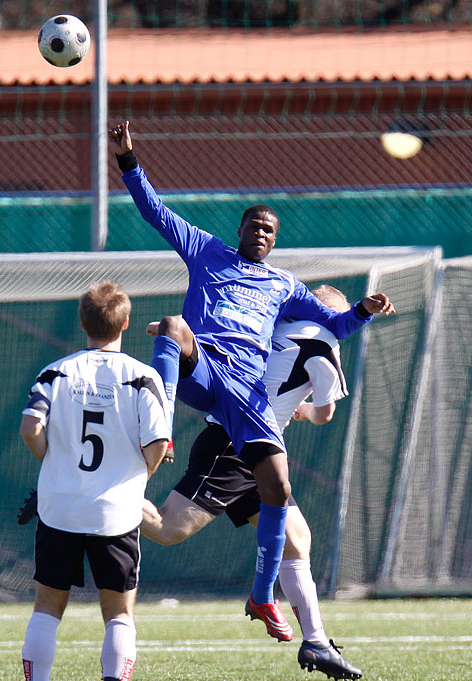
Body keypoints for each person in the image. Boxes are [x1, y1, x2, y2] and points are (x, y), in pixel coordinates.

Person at [108, 120, 395, 641]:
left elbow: (335, 325)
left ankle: (268, 600)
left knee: (280, 498)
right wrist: (129, 160)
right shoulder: (207, 251)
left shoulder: (285, 285)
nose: (261, 233)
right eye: (254, 226)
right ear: (239, 230)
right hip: (204, 370)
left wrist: (364, 310)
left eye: (270, 230)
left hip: (246, 394)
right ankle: (161, 428)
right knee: (174, 326)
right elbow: (155, 212)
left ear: (275, 241)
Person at [141, 285, 362, 680]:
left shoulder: (273, 321)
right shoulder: (325, 343)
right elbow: (325, 413)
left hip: (249, 446)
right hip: (234, 446)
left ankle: (316, 642)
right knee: (165, 529)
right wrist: (305, 411)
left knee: (298, 541)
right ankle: (92, 493)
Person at [19, 281, 170, 681]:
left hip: (59, 507)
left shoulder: (55, 371)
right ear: (125, 323)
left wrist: (54, 465)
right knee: (119, 613)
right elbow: (158, 443)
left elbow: (32, 427)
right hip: (117, 512)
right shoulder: (143, 376)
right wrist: (139, 476)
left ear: (82, 321)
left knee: (47, 609)